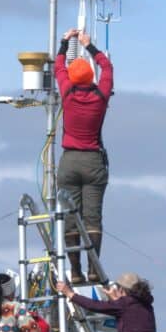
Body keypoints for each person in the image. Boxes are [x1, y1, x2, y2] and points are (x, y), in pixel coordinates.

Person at [55, 28, 114, 284]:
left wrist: (65, 42)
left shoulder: (66, 92)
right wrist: (89, 46)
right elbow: (108, 67)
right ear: (91, 77)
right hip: (93, 161)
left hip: (69, 161)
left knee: (70, 216)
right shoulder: (100, 96)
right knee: (93, 218)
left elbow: (58, 65)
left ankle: (75, 272)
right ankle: (93, 269)